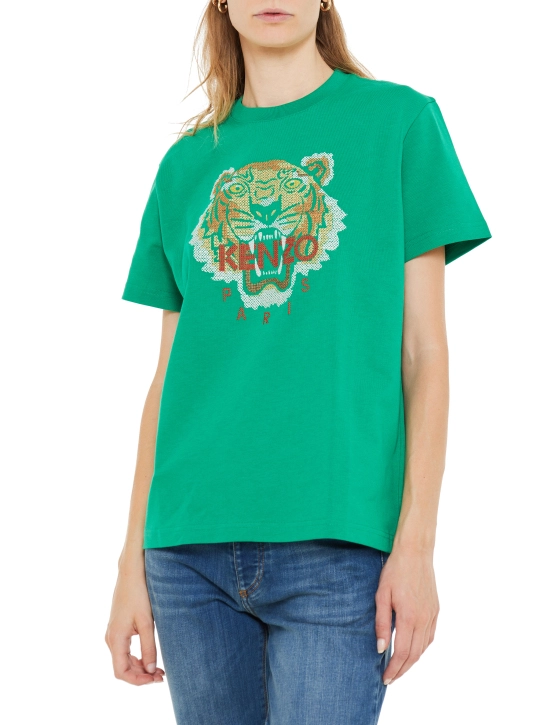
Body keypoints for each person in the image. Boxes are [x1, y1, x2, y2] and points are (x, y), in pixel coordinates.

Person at [105, 1, 492, 723]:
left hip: (336, 543)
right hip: (187, 547)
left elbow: (425, 354)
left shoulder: (399, 124)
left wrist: (416, 544)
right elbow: (168, 380)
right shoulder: (186, 164)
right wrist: (130, 560)